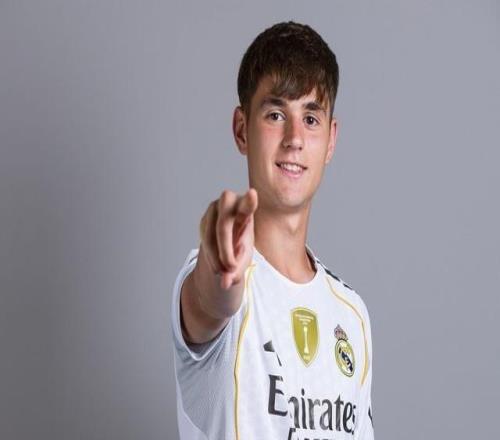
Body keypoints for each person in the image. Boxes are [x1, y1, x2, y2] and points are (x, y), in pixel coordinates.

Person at [171, 20, 374, 440]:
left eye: (311, 118)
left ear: (331, 140)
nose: (294, 138)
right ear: (241, 129)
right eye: (276, 114)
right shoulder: (218, 279)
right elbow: (213, 300)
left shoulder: (352, 315)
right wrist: (220, 266)